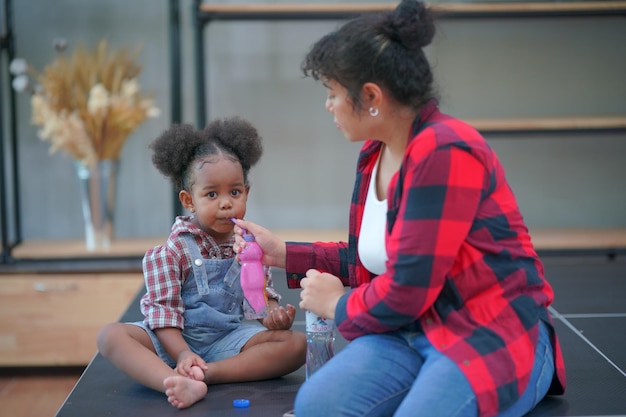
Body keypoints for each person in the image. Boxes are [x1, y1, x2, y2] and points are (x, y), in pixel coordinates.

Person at [233, 1, 566, 416]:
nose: (328, 106)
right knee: (318, 406)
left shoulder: (446, 149)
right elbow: (376, 257)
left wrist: (337, 304)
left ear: (371, 96)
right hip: (410, 330)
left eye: (333, 93)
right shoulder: (376, 152)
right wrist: (282, 253)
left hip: (487, 329)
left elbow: (408, 288)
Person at [97, 117, 306, 409]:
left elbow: (257, 299)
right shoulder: (172, 251)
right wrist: (183, 354)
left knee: (295, 344)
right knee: (111, 335)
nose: (225, 203)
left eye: (235, 192)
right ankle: (169, 379)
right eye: (211, 194)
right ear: (189, 200)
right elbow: (162, 316)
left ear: (246, 192)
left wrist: (272, 315)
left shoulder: (248, 246)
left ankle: (205, 377)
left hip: (227, 342)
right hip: (171, 341)